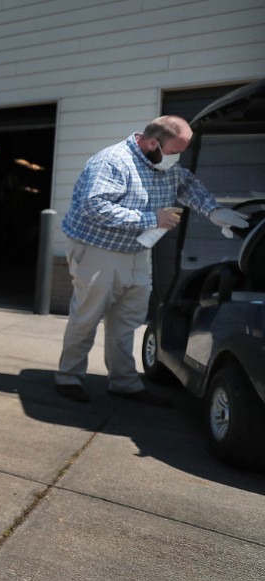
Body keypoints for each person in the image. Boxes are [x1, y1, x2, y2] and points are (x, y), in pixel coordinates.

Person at [54, 115, 248, 405]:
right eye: (174, 151)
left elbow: (187, 186)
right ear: (153, 143)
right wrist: (150, 219)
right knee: (88, 315)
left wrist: (213, 211)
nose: (177, 158)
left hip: (138, 248)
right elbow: (94, 206)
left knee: (128, 319)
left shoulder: (164, 163)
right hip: (97, 249)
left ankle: (123, 381)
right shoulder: (111, 162)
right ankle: (68, 377)